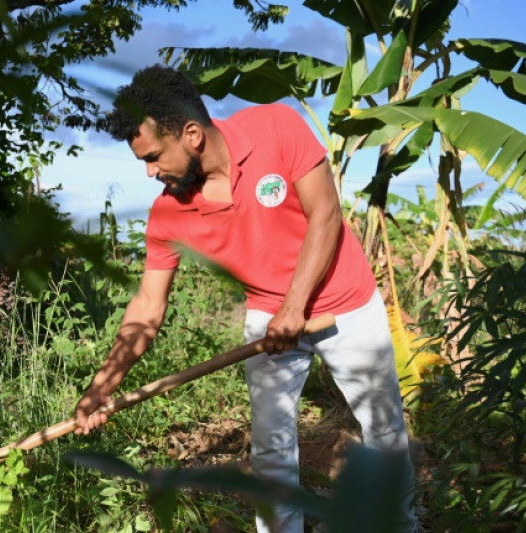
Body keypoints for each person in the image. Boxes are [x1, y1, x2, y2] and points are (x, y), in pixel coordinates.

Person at [73, 64, 416, 533]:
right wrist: (102, 386)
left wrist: (295, 308)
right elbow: (147, 308)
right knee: (272, 446)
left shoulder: (275, 127)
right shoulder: (168, 214)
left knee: (383, 430)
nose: (151, 172)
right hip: (269, 318)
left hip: (346, 301)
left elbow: (326, 214)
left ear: (191, 134)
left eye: (153, 157)